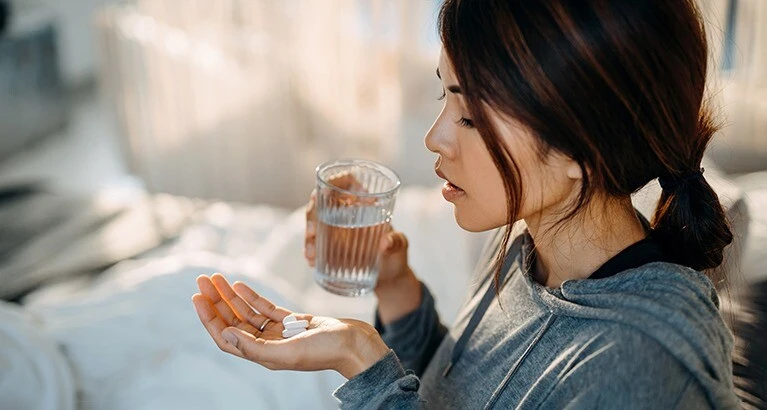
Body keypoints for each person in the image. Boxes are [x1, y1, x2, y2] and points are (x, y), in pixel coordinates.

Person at [191, 1, 742, 408]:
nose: (434, 138)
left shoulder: (642, 365)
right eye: (443, 96)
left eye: (470, 117)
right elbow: (452, 392)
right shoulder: (532, 248)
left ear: (583, 146)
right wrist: (396, 287)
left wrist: (361, 361)